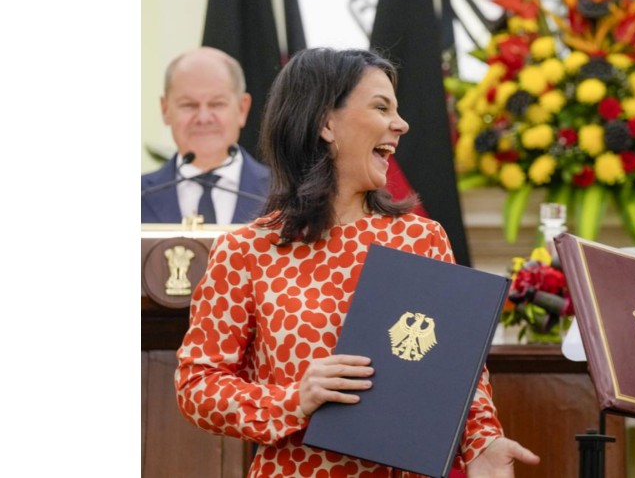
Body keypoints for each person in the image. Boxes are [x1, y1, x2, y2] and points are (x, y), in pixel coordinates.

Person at [174, 47, 539, 477]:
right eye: (381, 107)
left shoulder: (421, 239)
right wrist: (293, 400)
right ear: (326, 123)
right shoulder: (245, 250)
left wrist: (483, 442)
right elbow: (197, 386)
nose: (401, 124)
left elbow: (458, 371)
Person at [142, 47, 270, 224]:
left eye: (217, 104)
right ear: (165, 109)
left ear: (242, 108)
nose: (203, 118)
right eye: (189, 105)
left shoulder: (283, 195)